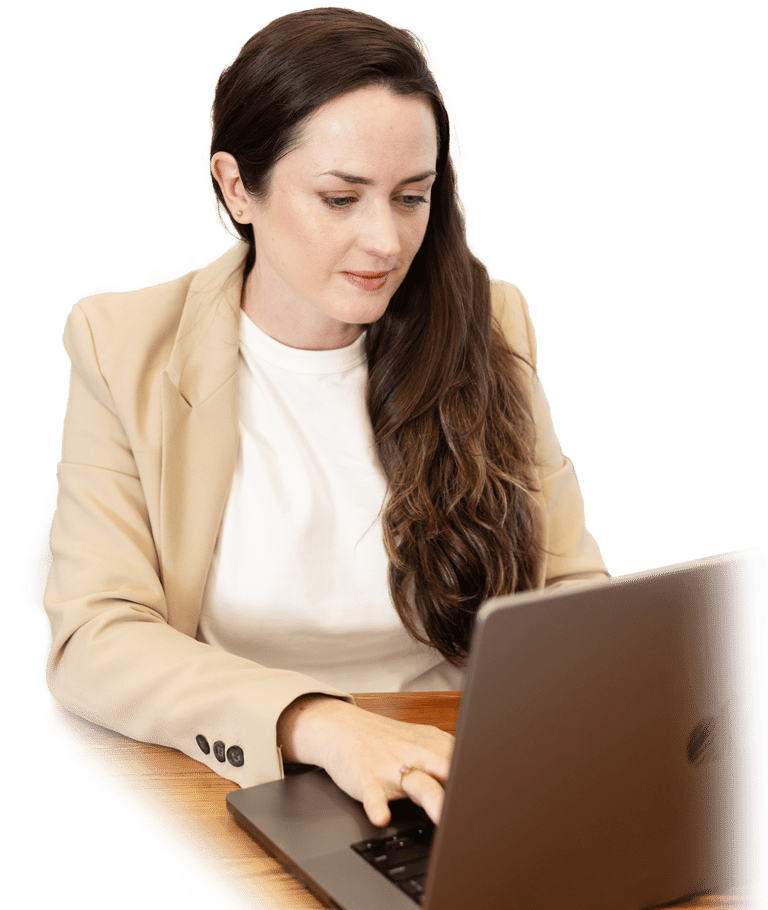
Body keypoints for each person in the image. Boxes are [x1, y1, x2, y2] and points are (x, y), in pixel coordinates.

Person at [37, 5, 609, 830]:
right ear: (238, 187)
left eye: (411, 197)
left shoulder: (489, 321)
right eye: (341, 198)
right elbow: (94, 635)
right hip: (246, 779)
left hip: (455, 770)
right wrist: (316, 722)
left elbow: (568, 595)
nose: (386, 241)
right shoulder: (122, 343)